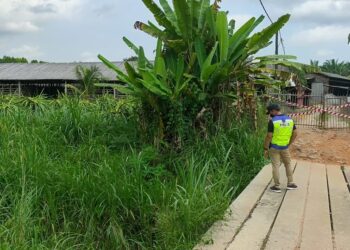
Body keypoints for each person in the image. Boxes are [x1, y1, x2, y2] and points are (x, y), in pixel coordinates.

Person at [264, 104, 298, 193]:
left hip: (274, 147)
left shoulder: (272, 121)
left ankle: (277, 186)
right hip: (285, 147)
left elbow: (269, 136)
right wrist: (289, 143)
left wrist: (265, 148)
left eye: (270, 112)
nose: (270, 114)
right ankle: (290, 183)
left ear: (274, 111)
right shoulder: (290, 120)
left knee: (276, 165)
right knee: (288, 164)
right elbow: (295, 133)